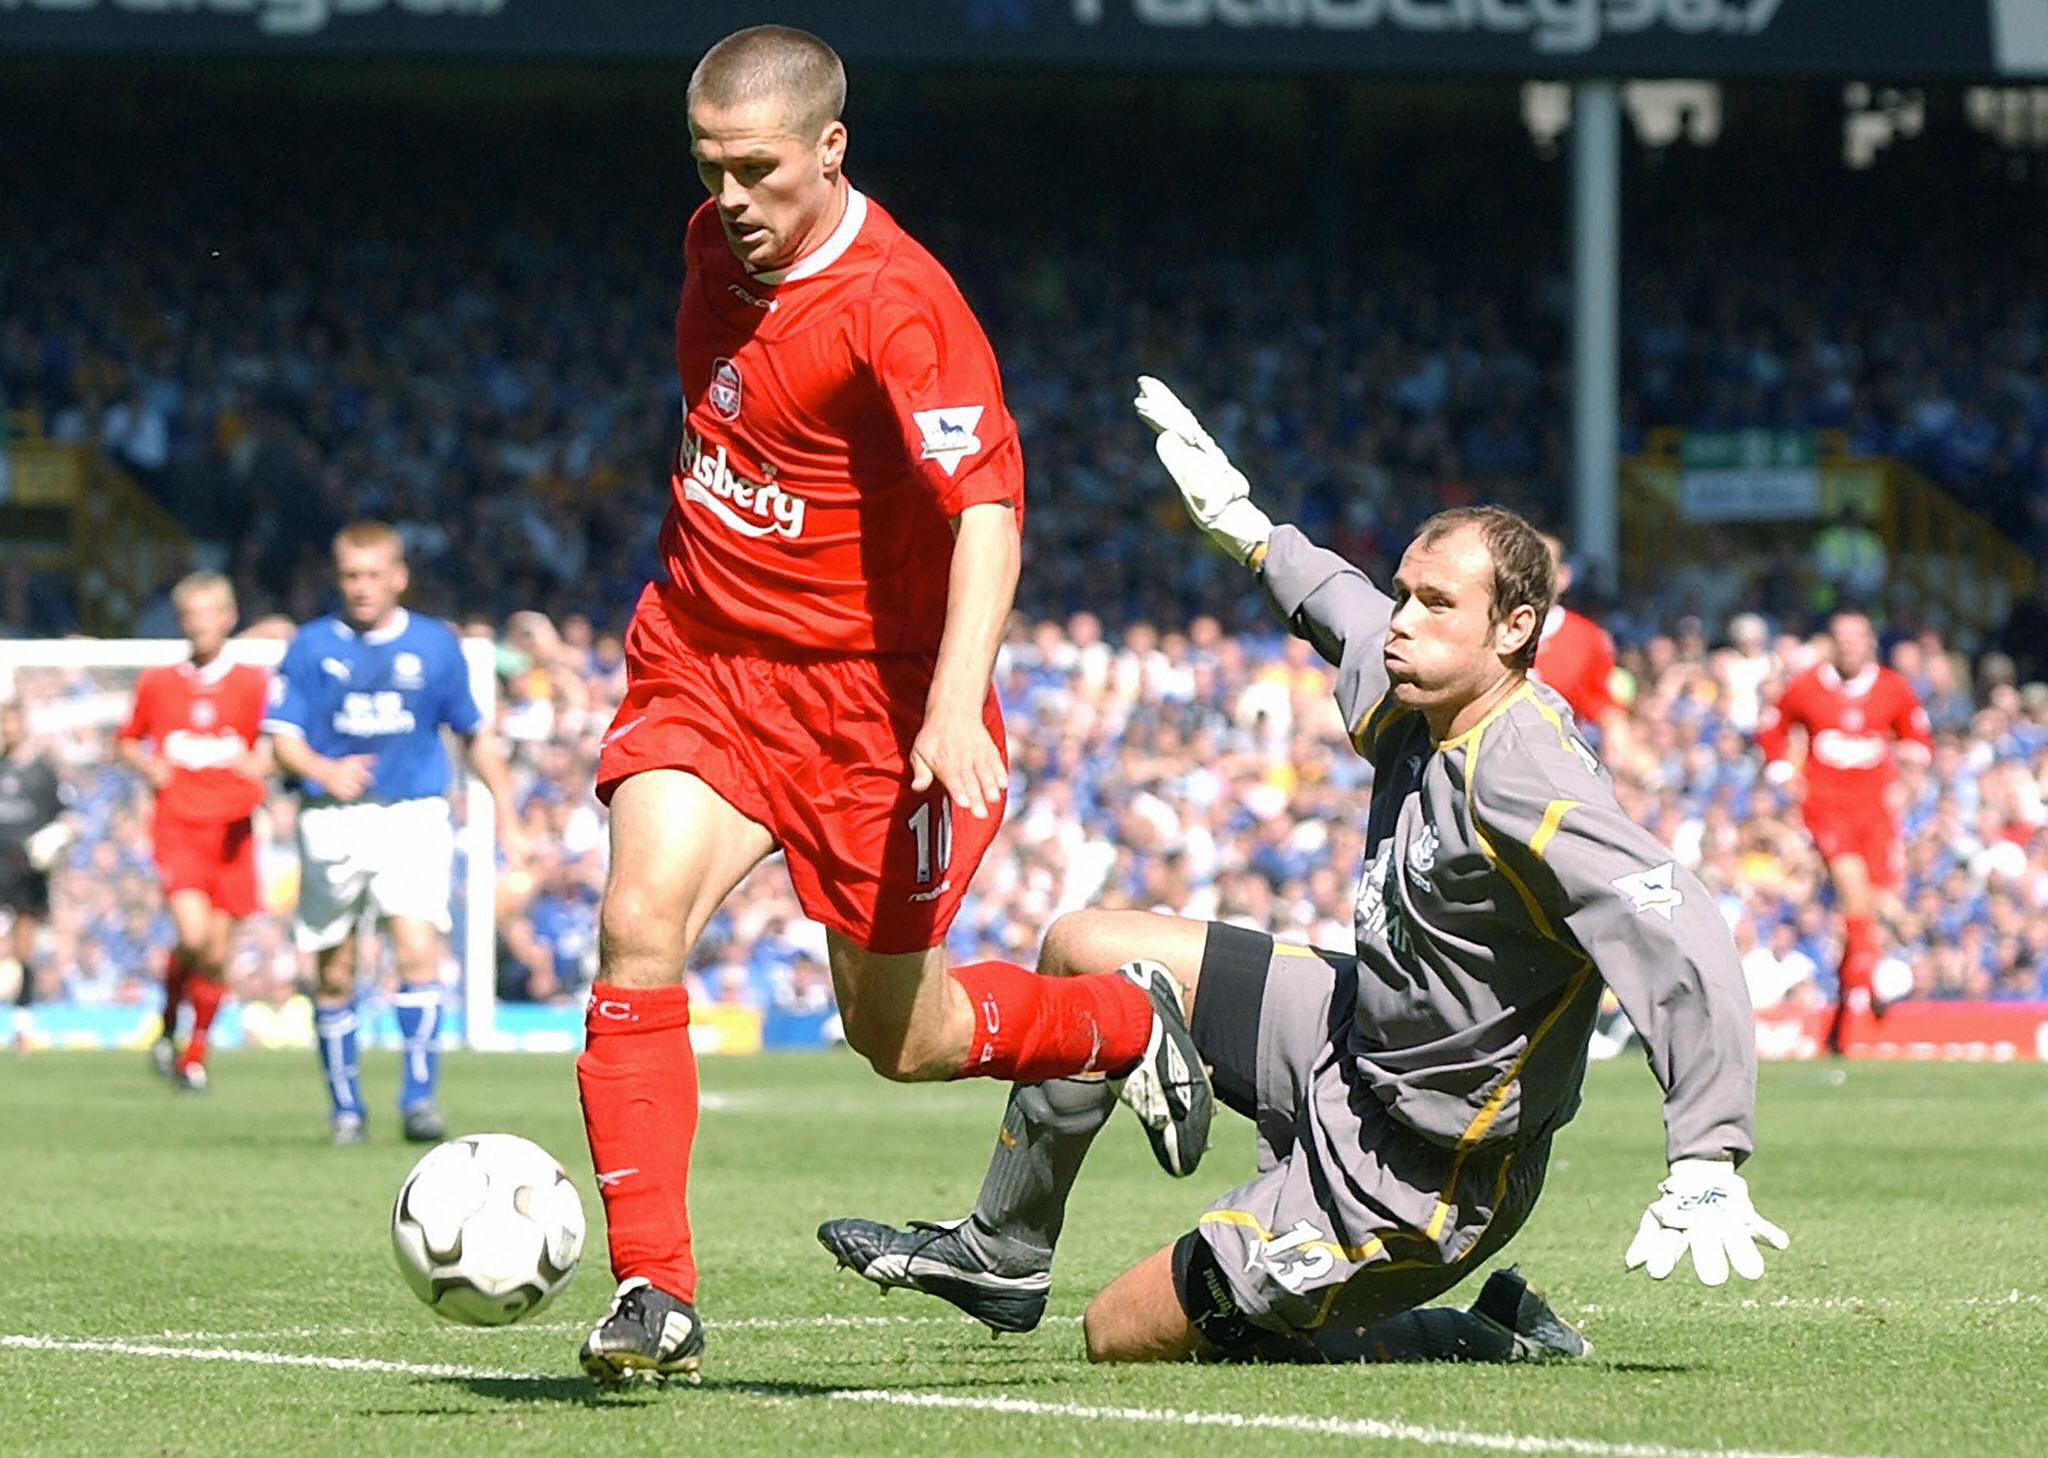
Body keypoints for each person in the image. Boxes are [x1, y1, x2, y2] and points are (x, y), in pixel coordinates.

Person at [819, 378, 1789, 1365]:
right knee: (1082, 948)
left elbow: (1676, 924)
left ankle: (1479, 1336)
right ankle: (1002, 1250)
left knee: (1117, 1333)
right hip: (1345, 1035)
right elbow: (1340, 607)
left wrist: (1706, 1151)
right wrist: (1245, 527)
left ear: (1513, 630)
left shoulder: (1528, 776)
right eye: (1406, 593)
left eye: (1433, 604)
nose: (1401, 621)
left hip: (1423, 1168)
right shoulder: (1422, 688)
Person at [574, 25, 1206, 1387]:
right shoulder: (712, 245)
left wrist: (957, 699)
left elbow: (987, 508)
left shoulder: (900, 305)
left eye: (757, 169)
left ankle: (1119, 1022)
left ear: (831, 148)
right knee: (636, 922)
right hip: (704, 657)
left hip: (870, 708)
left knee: (896, 1035)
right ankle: (654, 1292)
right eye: (709, 166)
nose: (730, 197)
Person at [262, 521, 521, 1144]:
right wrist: (325, 769)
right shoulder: (311, 645)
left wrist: (508, 816)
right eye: (351, 575)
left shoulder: (435, 647)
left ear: (399, 576)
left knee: (416, 947)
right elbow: (280, 739)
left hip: (413, 814)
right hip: (332, 820)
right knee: (335, 967)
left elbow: (472, 734)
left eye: (374, 574)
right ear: (338, 578)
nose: (362, 587)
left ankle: (418, 1100)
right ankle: (346, 1109)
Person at [117, 571, 271, 1092]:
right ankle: (167, 1019)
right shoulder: (159, 681)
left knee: (217, 953)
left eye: (210, 613)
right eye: (190, 616)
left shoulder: (252, 683)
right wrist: (147, 768)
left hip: (234, 829)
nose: (200, 624)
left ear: (228, 618)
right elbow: (127, 741)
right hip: (180, 826)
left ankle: (195, 1052)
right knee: (193, 935)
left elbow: (277, 739)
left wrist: (263, 761)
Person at [1755, 610, 1931, 1055]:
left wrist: (1910, 780)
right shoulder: (1808, 686)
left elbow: (1915, 737)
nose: (1850, 645)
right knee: (1854, 893)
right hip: (1827, 809)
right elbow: (1774, 725)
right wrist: (1781, 771)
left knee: (1875, 905)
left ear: (1871, 641)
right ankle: (1865, 984)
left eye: (1857, 637)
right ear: (1832, 643)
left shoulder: (1891, 687)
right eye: (1841, 638)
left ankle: (1846, 1013)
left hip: (1875, 813)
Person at [0, 701, 72, 1053]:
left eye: (12, 721)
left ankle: (22, 1028)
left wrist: (56, 838)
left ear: (22, 724)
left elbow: (69, 818)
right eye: (2, 722)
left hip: (27, 869)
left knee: (23, 946)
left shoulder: (42, 772)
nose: (7, 728)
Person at [1531, 532, 1629, 756]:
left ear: (1563, 576)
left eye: (1542, 566)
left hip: (1560, 761)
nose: (1531, 576)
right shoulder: (1487, 632)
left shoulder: (1587, 638)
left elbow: (1605, 709)